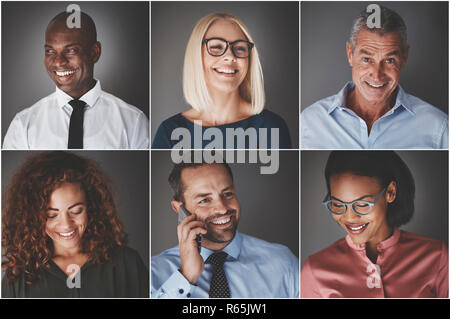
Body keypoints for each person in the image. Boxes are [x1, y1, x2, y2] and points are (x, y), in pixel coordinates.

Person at [301, 151, 448, 298]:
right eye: (338, 204)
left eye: (362, 204)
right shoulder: (314, 270)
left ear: (390, 192)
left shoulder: (436, 257)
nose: (350, 217)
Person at [2, 151, 149, 298]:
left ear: (91, 206)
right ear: (33, 216)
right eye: (51, 215)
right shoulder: (18, 276)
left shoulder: (127, 264)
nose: (66, 225)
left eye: (76, 211)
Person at [301, 5, 448, 149]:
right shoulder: (309, 122)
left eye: (389, 60)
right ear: (350, 54)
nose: (377, 75)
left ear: (404, 57)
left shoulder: (438, 129)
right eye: (366, 59)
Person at [3, 11, 149, 149]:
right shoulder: (22, 125)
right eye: (50, 51)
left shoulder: (134, 122)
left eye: (71, 50)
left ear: (94, 52)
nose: (59, 62)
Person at [151, 161, 298, 298]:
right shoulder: (154, 272)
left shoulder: (283, 262)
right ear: (179, 208)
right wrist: (186, 277)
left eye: (227, 194)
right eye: (204, 200)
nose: (222, 208)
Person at [152, 13, 291, 149]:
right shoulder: (169, 132)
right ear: (196, 55)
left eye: (240, 48)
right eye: (216, 47)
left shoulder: (271, 127)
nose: (230, 56)